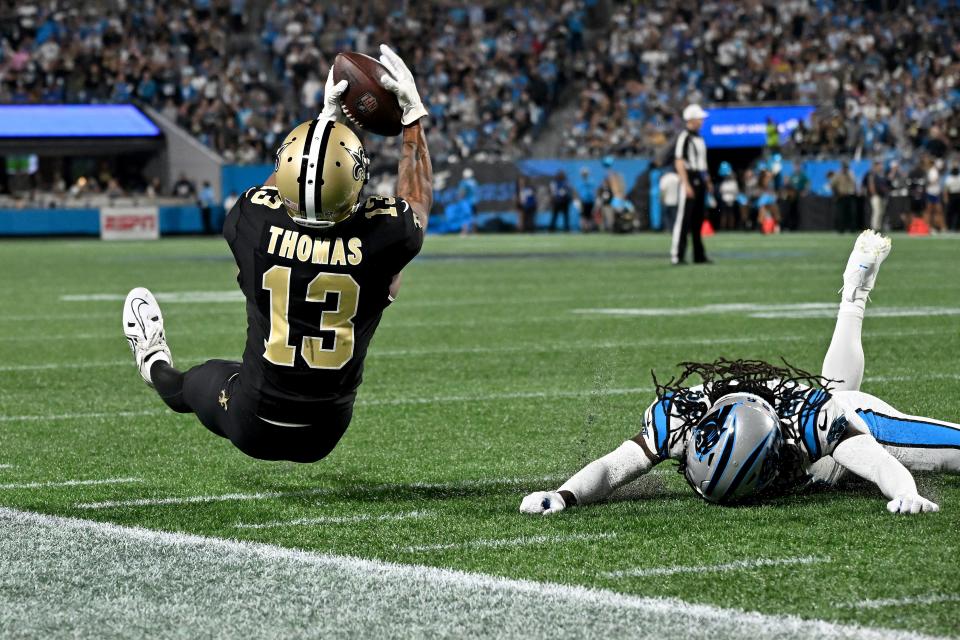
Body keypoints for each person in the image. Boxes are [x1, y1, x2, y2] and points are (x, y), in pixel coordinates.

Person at [120, 45, 432, 464]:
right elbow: (416, 201)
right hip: (325, 431)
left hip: (251, 419)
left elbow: (275, 189)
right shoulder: (385, 235)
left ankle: (153, 362)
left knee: (188, 385)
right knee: (386, 278)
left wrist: (324, 121)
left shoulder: (253, 221)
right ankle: (379, 293)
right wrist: (412, 118)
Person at [521, 231, 958, 516]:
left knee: (855, 405)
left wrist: (905, 492)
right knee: (837, 394)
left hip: (849, 425)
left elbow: (880, 464)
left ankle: (855, 296)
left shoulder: (809, 418)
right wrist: (564, 494)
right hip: (811, 431)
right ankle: (854, 293)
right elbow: (615, 467)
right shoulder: (682, 416)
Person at [671, 104, 711, 265]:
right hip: (689, 177)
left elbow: (702, 162)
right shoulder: (684, 137)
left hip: (699, 177)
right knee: (684, 219)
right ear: (692, 119)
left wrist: (706, 180)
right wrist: (686, 183)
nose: (702, 121)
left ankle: (698, 254)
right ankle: (678, 254)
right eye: (699, 118)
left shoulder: (699, 138)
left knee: (698, 219)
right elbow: (679, 161)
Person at [829, 161, 857, 233]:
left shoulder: (851, 174)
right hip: (841, 196)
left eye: (846, 167)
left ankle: (852, 229)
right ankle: (841, 229)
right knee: (841, 214)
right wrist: (836, 193)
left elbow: (854, 183)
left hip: (850, 195)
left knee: (851, 213)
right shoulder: (838, 175)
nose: (845, 169)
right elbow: (832, 185)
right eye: (844, 167)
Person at [863, 160, 889, 231]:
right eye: (879, 165)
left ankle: (879, 226)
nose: (880, 167)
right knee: (876, 211)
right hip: (876, 195)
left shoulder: (882, 174)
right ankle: (875, 227)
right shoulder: (871, 174)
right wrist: (873, 193)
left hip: (882, 195)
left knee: (881, 212)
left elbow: (886, 184)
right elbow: (868, 185)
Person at [782, 161, 808, 231]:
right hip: (792, 196)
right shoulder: (792, 175)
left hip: (799, 195)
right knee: (790, 211)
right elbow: (788, 185)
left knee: (797, 212)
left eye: (797, 166)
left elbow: (807, 183)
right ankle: (790, 227)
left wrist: (805, 191)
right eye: (795, 166)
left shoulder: (802, 175)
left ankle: (796, 227)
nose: (796, 168)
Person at [716, 162, 738, 231]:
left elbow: (736, 191)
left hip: (731, 200)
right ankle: (723, 227)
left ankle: (731, 227)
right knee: (723, 214)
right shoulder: (723, 182)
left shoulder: (734, 182)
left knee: (731, 214)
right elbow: (720, 191)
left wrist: (727, 192)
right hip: (724, 200)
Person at [925, 158, 945, 232]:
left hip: (935, 193)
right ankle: (929, 227)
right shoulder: (933, 171)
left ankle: (935, 227)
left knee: (935, 211)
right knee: (931, 211)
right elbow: (931, 181)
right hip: (932, 193)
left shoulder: (935, 171)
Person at [659, 167, 680, 232]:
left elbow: (663, 190)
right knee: (675, 216)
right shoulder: (677, 177)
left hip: (667, 201)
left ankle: (668, 229)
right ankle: (676, 229)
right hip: (676, 200)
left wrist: (661, 199)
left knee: (667, 216)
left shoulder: (664, 178)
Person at [575, 167, 596, 232]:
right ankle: (584, 228)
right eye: (584, 173)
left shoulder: (591, 181)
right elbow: (577, 192)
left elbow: (594, 191)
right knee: (583, 215)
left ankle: (589, 228)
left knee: (590, 215)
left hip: (590, 200)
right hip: (583, 201)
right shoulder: (579, 182)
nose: (585, 174)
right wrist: (577, 201)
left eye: (586, 173)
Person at [945, 166, 960, 231]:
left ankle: (956, 227)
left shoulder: (957, 178)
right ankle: (951, 227)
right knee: (951, 213)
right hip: (953, 195)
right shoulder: (949, 178)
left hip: (956, 195)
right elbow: (946, 189)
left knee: (956, 213)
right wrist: (946, 197)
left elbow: (945, 189)